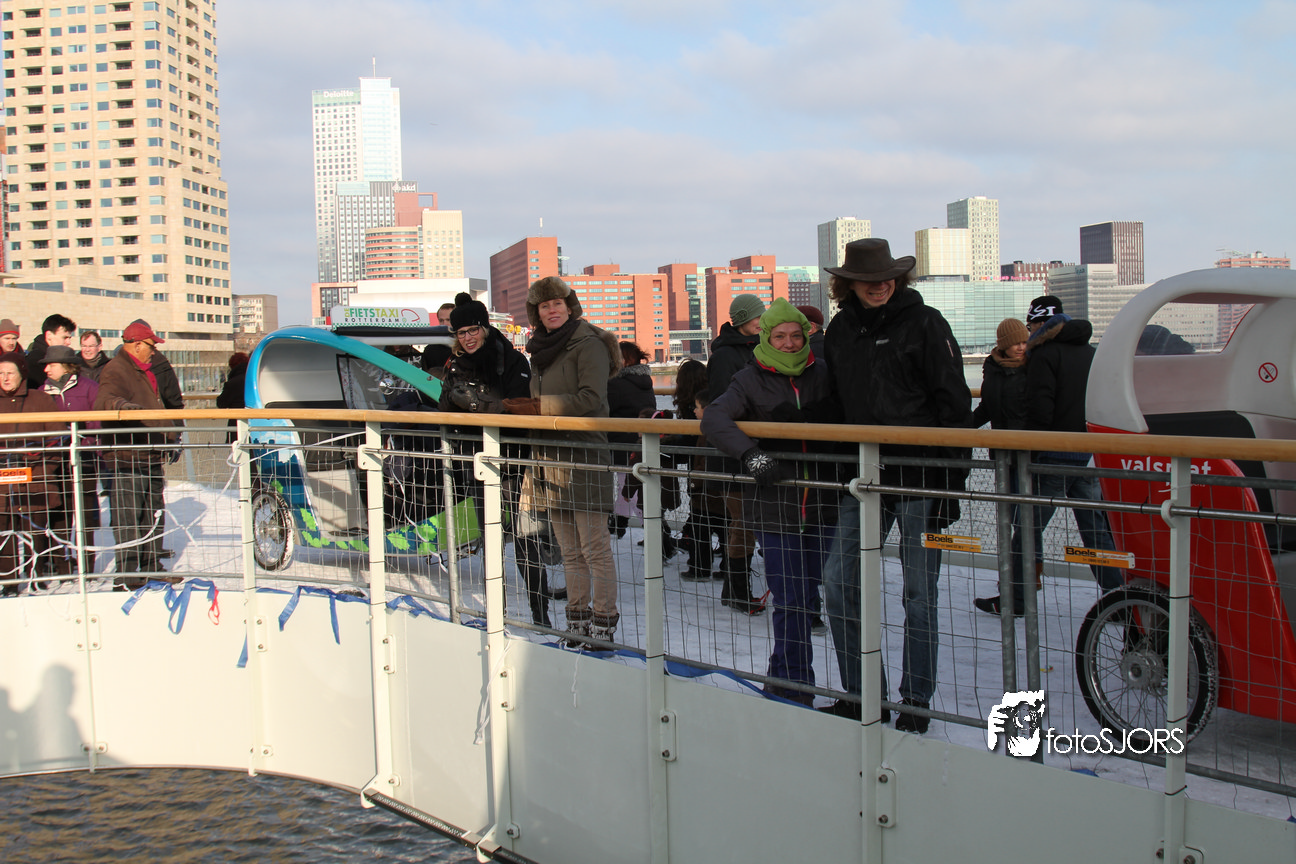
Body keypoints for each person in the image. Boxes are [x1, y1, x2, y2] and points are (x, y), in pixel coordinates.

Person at [819, 238, 973, 733]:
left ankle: (916, 701)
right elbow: (834, 404)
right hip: (863, 479)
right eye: (868, 279)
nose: (880, 286)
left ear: (898, 278)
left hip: (921, 479)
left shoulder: (926, 323)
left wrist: (951, 486)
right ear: (849, 285)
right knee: (837, 583)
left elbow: (955, 406)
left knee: (919, 593)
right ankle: (864, 694)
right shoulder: (840, 331)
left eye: (886, 278)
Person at [702, 299, 839, 701]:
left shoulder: (823, 372)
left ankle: (781, 677)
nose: (789, 343)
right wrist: (753, 456)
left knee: (808, 597)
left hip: (823, 502)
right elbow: (714, 418)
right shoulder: (749, 379)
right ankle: (798, 685)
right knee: (791, 598)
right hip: (774, 504)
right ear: (765, 337)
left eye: (796, 335)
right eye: (779, 336)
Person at [975, 296, 1123, 615]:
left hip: (1054, 455)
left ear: (1041, 325)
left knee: (1026, 529)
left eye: (1031, 329)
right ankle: (1121, 599)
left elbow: (1041, 410)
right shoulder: (1090, 352)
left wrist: (1031, 448)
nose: (1028, 338)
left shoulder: (1044, 355)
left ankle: (1017, 600)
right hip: (1087, 452)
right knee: (1096, 529)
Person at [438, 291, 561, 627]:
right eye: (461, 333)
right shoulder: (454, 365)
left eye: (473, 330)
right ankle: (497, 612)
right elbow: (444, 413)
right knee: (490, 540)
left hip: (514, 463)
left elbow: (519, 408)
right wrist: (452, 398)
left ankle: (540, 613)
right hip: (477, 463)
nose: (468, 338)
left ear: (485, 328)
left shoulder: (511, 361)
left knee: (525, 540)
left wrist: (477, 405)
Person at [515, 276, 622, 644]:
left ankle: (603, 623)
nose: (552, 310)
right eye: (544, 306)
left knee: (594, 549)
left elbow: (592, 398)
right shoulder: (539, 351)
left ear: (569, 305)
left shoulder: (588, 344)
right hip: (549, 457)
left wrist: (538, 408)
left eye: (557, 303)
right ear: (537, 313)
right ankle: (577, 622)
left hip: (584, 455)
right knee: (570, 551)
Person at [92, 320, 182, 589]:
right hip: (127, 455)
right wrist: (122, 406)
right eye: (152, 346)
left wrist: (170, 436)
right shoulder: (116, 369)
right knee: (128, 517)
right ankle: (128, 575)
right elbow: (104, 400)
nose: (154, 351)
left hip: (149, 452)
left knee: (152, 513)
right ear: (138, 345)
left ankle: (152, 566)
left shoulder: (143, 369)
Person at [968, 319, 1039, 613]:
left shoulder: (1034, 368)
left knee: (1025, 525)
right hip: (1004, 458)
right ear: (1003, 345)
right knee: (1013, 524)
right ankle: (1013, 591)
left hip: (1029, 458)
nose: (1021, 347)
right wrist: (960, 428)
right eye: (1015, 343)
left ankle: (1017, 594)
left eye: (1024, 341)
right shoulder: (993, 369)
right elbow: (987, 407)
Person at [707, 294, 765, 611]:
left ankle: (734, 588)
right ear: (742, 319)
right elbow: (720, 402)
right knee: (744, 522)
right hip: (733, 453)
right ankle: (737, 590)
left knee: (747, 522)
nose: (761, 321)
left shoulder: (757, 347)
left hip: (754, 448)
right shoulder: (725, 356)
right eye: (757, 316)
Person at [0, 351, 69, 595]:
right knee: (4, 532)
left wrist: (43, 470)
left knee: (36, 532)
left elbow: (58, 438)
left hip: (36, 478)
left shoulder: (40, 399)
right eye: (0, 373)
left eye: (10, 373)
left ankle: (36, 577)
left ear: (21, 374)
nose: (5, 378)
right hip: (2, 481)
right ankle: (8, 582)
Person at [42, 344, 101, 575]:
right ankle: (61, 564)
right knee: (59, 512)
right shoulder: (42, 392)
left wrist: (88, 443)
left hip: (84, 457)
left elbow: (98, 423)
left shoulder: (89, 388)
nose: (46, 369)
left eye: (51, 364)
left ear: (66, 367)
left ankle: (87, 565)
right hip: (55, 460)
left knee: (85, 513)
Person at [25, 313, 76, 389]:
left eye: (69, 338)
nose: (68, 342)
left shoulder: (62, 358)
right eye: (64, 338)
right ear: (49, 335)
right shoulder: (35, 360)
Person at [216, 352, 249, 444]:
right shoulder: (255, 380)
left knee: (237, 447)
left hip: (236, 424)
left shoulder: (232, 383)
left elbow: (221, 403)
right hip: (255, 422)